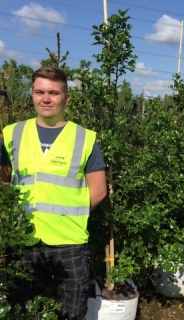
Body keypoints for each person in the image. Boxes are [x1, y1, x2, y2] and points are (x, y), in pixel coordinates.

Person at [0, 66, 107, 319]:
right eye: (39, 92)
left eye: (54, 93)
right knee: (20, 310)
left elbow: (99, 191)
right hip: (22, 242)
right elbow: (4, 182)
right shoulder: (11, 134)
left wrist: (66, 215)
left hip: (69, 242)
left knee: (71, 312)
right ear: (32, 95)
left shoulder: (85, 139)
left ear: (66, 98)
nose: (46, 98)